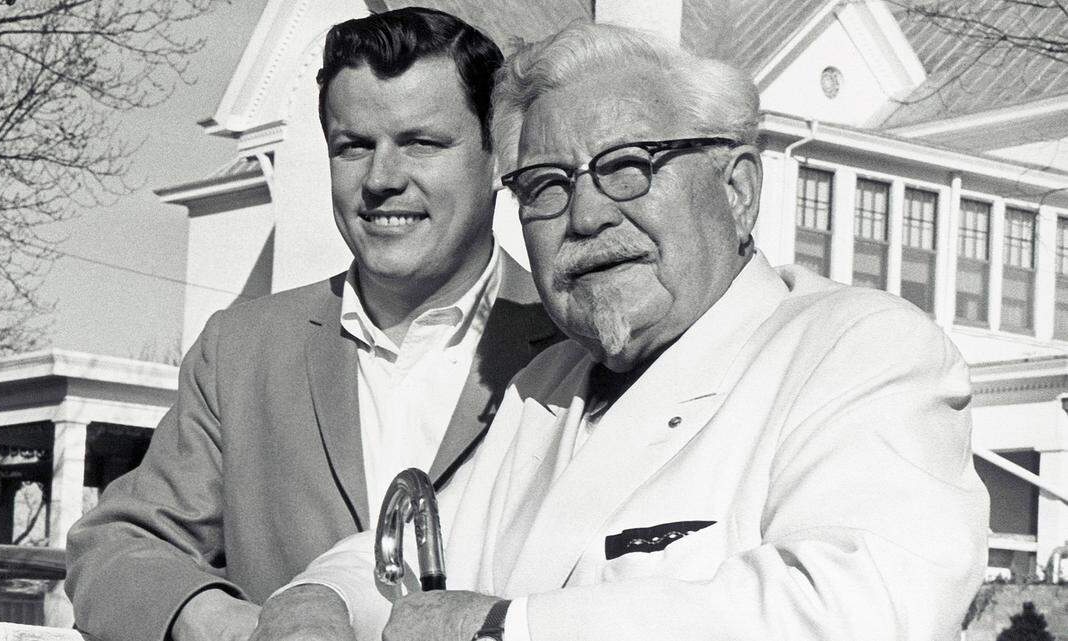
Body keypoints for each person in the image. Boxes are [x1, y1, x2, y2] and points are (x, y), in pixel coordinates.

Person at [261, 21, 989, 641]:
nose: (586, 216)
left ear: (736, 189)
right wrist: (315, 601)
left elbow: (859, 612)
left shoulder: (860, 350)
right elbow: (414, 551)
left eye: (629, 166)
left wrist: (507, 629)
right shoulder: (544, 390)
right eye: (545, 184)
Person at [64, 8, 559, 641]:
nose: (382, 179)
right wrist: (228, 625)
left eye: (422, 143)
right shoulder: (243, 349)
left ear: (498, 160)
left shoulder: (577, 346)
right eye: (354, 146)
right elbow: (118, 544)